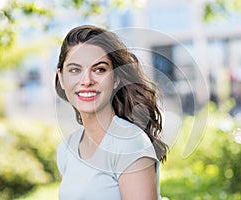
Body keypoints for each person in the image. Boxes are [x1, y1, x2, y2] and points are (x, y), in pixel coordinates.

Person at [55, 25, 168, 200]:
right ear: (61, 78)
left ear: (116, 79)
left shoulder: (129, 144)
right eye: (75, 70)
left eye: (99, 69)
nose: (86, 81)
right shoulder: (66, 149)